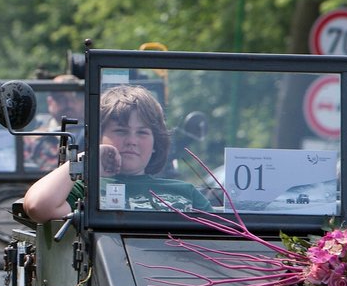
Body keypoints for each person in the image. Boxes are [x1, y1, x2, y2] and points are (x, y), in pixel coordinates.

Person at [22, 84, 210, 222]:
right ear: (98, 137)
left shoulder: (186, 194)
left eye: (142, 132)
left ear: (156, 143)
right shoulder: (83, 191)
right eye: (121, 131)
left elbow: (221, 237)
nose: (132, 141)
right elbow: (37, 206)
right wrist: (86, 160)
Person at [24, 74, 84, 171]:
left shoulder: (98, 135)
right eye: (61, 98)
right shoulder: (33, 139)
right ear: (50, 102)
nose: (69, 104)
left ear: (83, 100)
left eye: (74, 98)